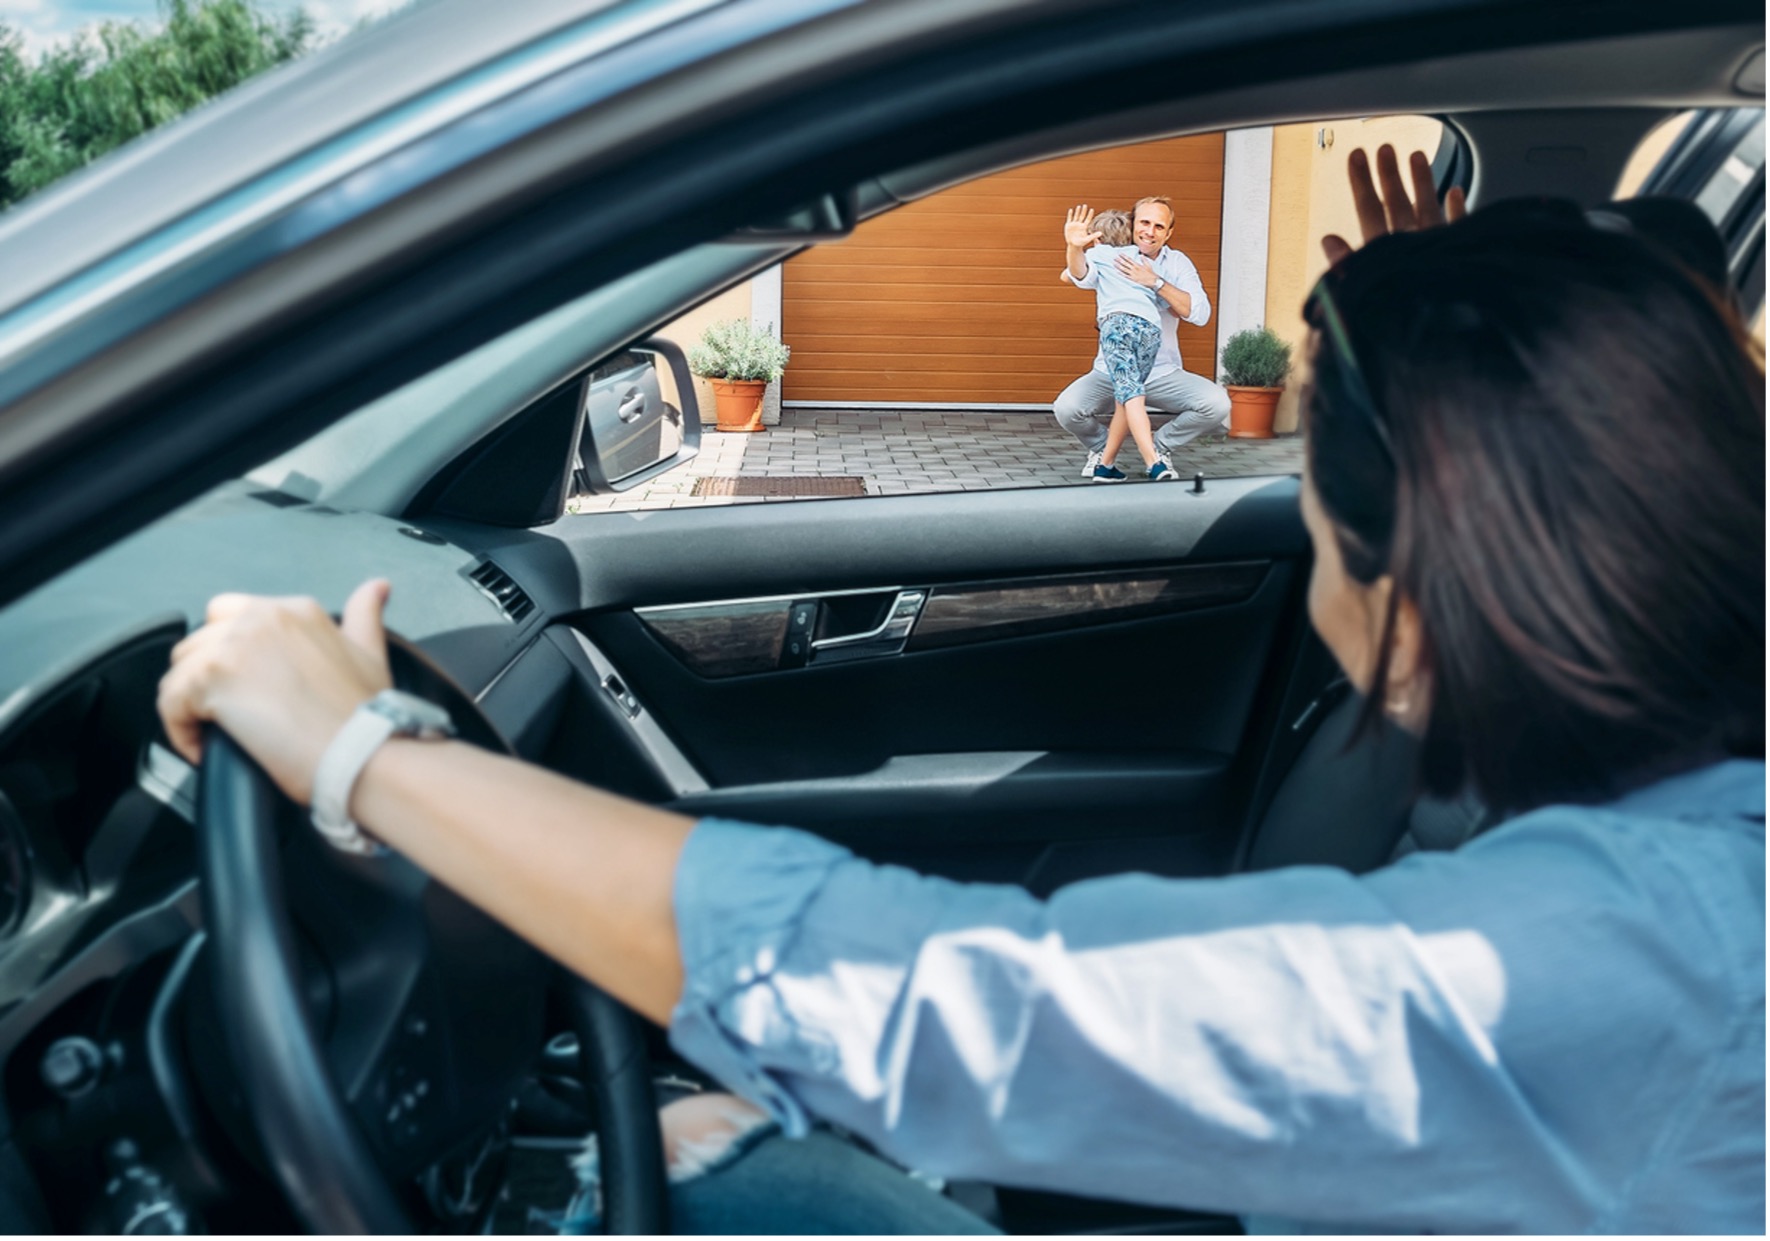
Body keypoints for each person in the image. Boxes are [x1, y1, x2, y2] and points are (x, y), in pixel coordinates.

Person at [157, 146, 1765, 1233]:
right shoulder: (1670, 848)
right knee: (745, 1171)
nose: (1298, 530)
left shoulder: (1628, 958)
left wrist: (359, 746)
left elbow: (967, 1015)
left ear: (1410, 594)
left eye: (1318, 501)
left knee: (724, 1187)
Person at [1054, 196, 1228, 477]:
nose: (1150, 231)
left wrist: (1155, 282)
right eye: (1145, 222)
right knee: (1067, 408)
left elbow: (1199, 313)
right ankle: (1102, 448)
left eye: (1160, 226)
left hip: (1161, 373)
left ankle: (1159, 448)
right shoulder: (1113, 256)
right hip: (1109, 372)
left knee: (1216, 404)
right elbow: (1076, 274)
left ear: (1169, 233)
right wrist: (1074, 247)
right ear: (1133, 224)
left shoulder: (1177, 263)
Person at [1065, 207, 1177, 482]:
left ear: (1097, 238)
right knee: (1124, 400)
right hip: (1151, 330)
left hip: (1118, 327)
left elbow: (1070, 275)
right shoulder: (1145, 262)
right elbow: (1165, 302)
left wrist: (1076, 248)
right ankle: (1106, 466)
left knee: (1132, 397)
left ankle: (1153, 462)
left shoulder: (1097, 254)